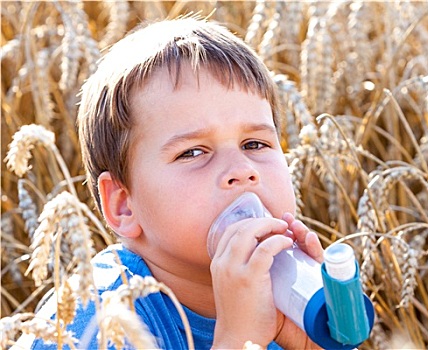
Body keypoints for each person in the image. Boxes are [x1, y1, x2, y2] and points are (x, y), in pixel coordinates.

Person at [22, 16, 325, 349]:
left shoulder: (290, 299)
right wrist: (240, 339)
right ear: (124, 204)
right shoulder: (95, 323)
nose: (242, 169)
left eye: (255, 144)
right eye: (193, 152)